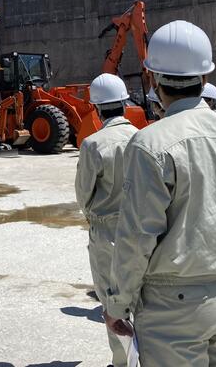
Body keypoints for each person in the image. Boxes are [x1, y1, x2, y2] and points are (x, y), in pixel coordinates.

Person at [103, 20, 216, 367]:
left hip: (174, 308)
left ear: (153, 78)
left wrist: (118, 303)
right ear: (205, 78)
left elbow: (137, 236)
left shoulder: (150, 144)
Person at [75, 73, 138, 367]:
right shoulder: (142, 137)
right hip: (143, 228)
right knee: (143, 300)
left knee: (113, 304)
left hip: (107, 233)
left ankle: (122, 362)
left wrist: (95, 218)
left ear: (97, 109)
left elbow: (83, 193)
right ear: (124, 104)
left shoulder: (93, 144)